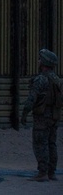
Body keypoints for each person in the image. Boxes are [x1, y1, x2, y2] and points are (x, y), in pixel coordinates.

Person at [22, 48, 61, 181]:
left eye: (40, 59)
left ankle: (42, 173)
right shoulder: (57, 80)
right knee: (52, 144)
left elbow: (31, 100)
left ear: (43, 62)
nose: (38, 61)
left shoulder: (40, 79)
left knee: (40, 144)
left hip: (42, 117)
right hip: (54, 117)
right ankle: (51, 172)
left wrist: (24, 113)